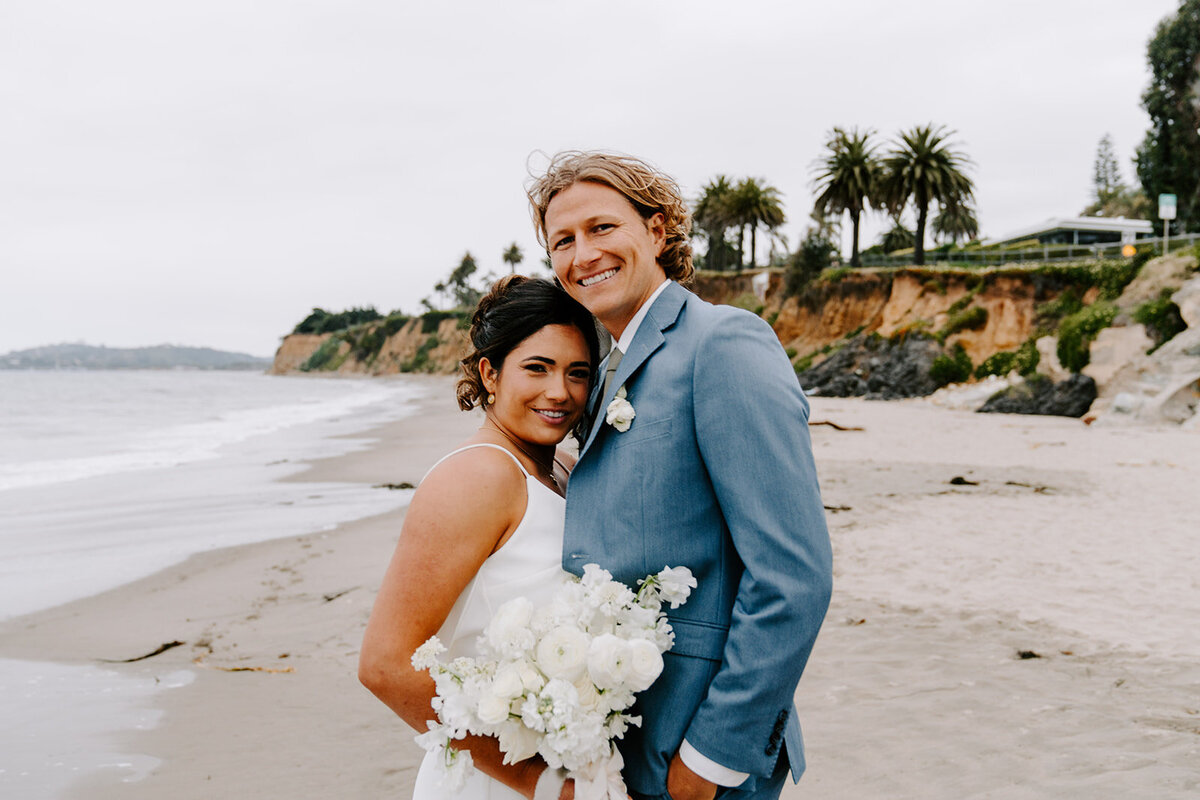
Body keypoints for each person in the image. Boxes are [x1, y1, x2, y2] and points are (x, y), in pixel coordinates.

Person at [528, 151, 833, 800]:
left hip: (695, 752)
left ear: (658, 231)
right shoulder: (603, 368)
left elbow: (793, 576)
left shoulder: (721, 344)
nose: (583, 254)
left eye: (603, 228)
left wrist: (712, 759)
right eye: (563, 240)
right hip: (622, 743)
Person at [359, 275, 600, 800]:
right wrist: (541, 784)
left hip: (571, 760)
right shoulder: (479, 477)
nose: (559, 392)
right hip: (500, 780)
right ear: (490, 373)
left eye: (577, 373)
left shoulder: (560, 465)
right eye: (537, 368)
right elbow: (385, 666)